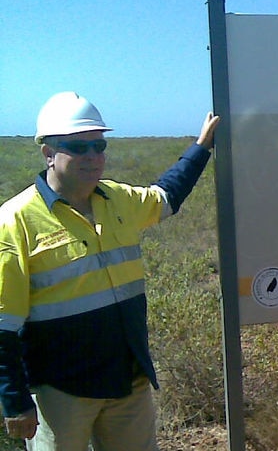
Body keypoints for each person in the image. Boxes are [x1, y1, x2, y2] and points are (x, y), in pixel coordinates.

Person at [0, 91, 220, 450]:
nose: (92, 156)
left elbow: (166, 196)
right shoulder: (15, 221)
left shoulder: (118, 199)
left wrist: (201, 147)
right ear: (48, 153)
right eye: (78, 147)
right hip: (60, 391)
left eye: (99, 146)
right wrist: (14, 400)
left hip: (127, 382)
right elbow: (4, 326)